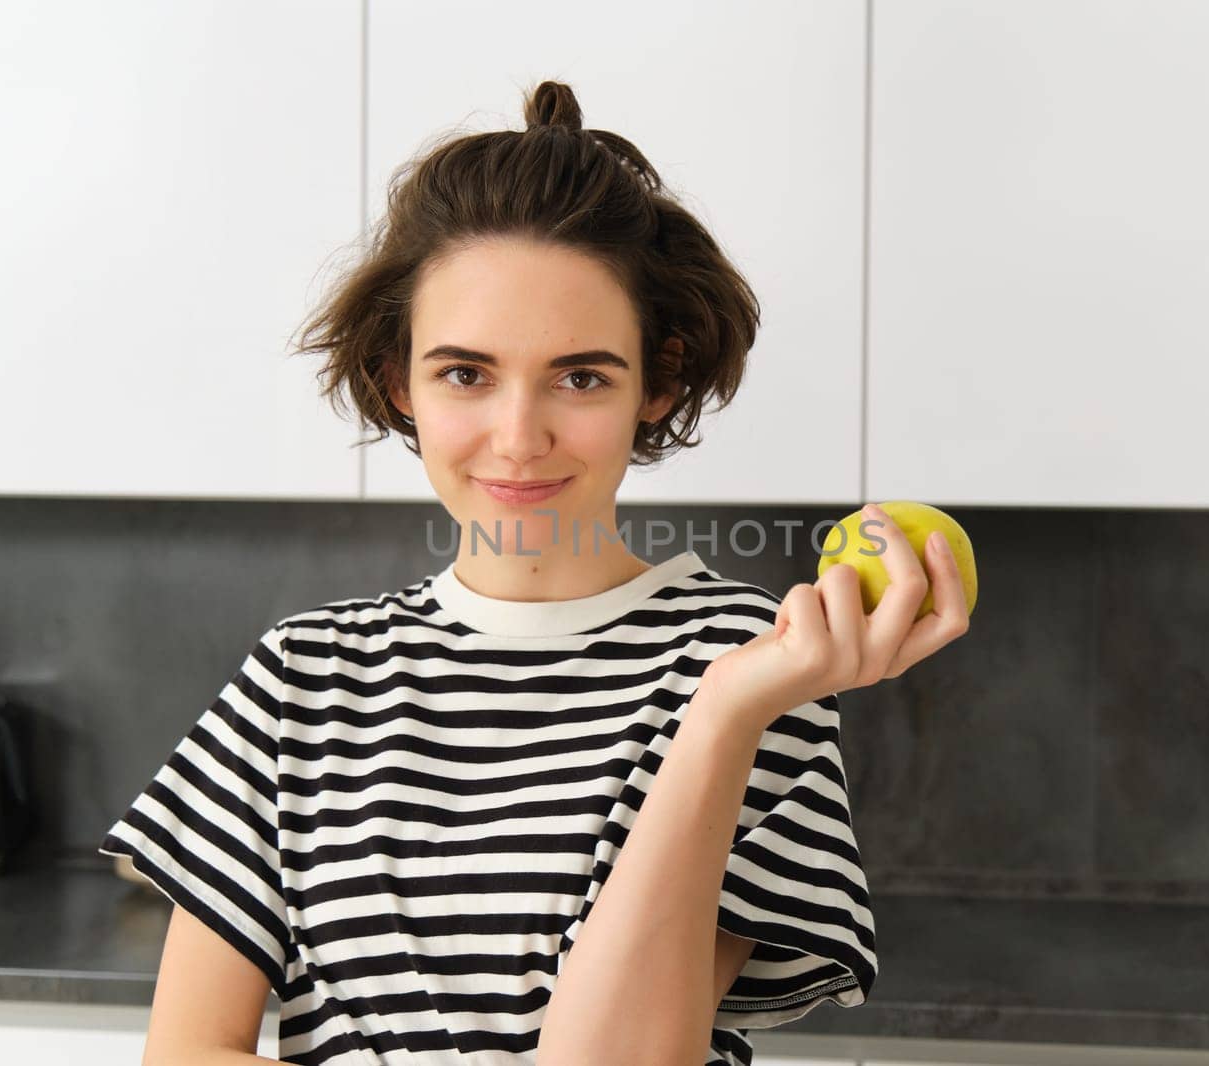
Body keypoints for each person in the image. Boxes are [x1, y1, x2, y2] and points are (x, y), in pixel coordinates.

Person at [98, 79, 969, 1066]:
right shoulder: (301, 678)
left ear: (660, 382)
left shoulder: (755, 669)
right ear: (401, 382)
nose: (519, 438)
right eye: (465, 373)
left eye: (580, 375)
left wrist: (722, 719)